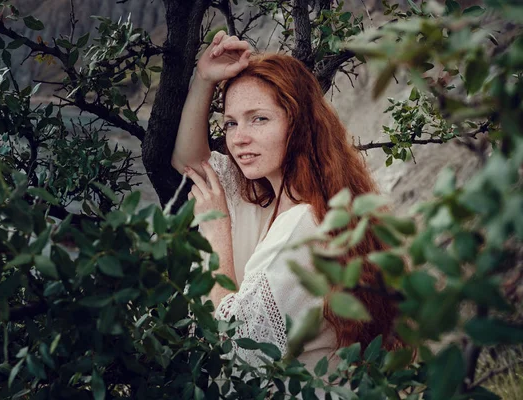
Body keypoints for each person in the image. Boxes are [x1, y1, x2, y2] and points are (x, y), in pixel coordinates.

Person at [171, 31, 401, 374]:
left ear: (298, 124)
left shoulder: (305, 225)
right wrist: (204, 79)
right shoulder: (262, 194)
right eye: (231, 123)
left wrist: (216, 231)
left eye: (258, 118)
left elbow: (238, 347)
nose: (238, 138)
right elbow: (191, 163)